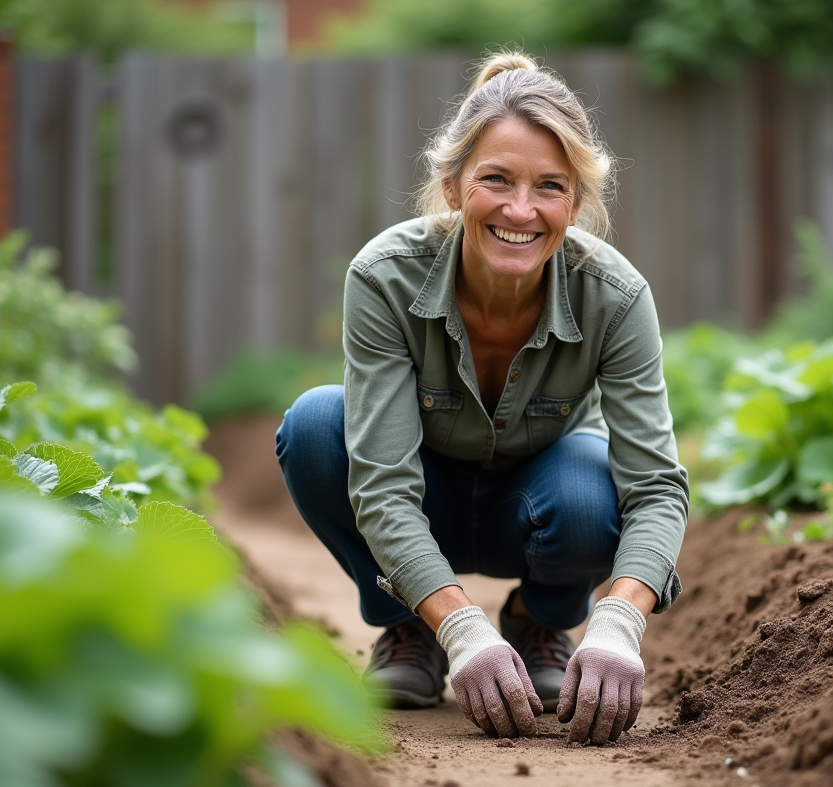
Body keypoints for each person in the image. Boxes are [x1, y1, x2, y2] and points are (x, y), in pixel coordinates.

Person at [276, 51, 689, 746]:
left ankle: (541, 621)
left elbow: (657, 488)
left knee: (594, 491)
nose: (521, 210)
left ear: (576, 203)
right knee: (317, 425)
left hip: (537, 502)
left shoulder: (615, 296)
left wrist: (619, 623)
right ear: (453, 184)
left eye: (550, 187)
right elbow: (380, 484)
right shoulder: (384, 276)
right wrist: (462, 626)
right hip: (423, 492)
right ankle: (414, 626)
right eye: (496, 179)